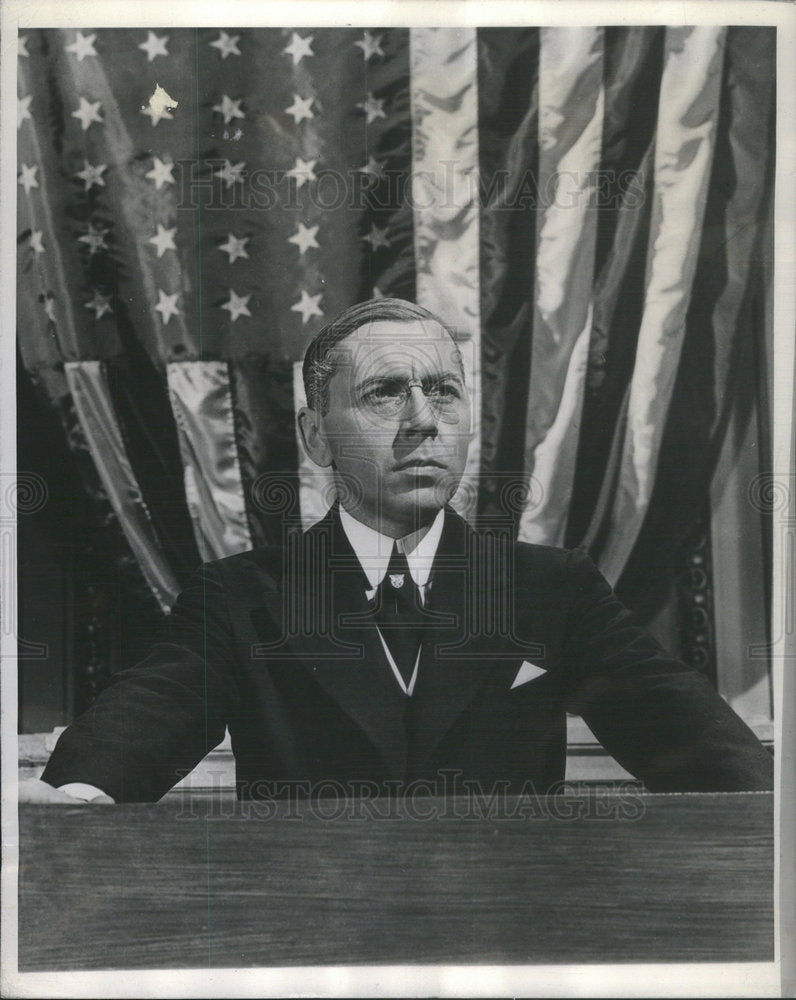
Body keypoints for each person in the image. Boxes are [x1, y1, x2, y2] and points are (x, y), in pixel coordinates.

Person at [22, 298, 773, 803]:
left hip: (505, 943)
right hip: (316, 950)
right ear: (316, 435)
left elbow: (692, 738)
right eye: (384, 393)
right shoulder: (242, 597)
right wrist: (81, 797)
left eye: (444, 391)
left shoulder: (554, 590)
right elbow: (150, 714)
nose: (423, 421)